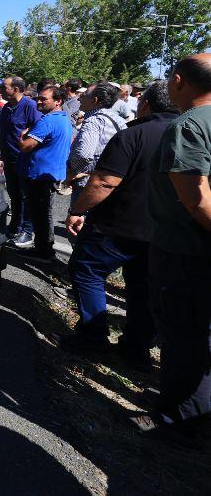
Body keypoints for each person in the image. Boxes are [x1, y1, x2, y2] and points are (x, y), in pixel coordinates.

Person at [59, 82, 178, 368]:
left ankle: (92, 337)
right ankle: (136, 348)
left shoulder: (134, 134)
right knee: (142, 286)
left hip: (118, 225)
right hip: (164, 230)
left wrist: (77, 209)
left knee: (86, 269)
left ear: (146, 105)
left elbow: (104, 181)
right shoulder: (191, 134)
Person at [139, 54, 211, 444]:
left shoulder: (189, 127)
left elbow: (197, 200)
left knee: (183, 336)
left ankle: (179, 418)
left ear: (179, 81)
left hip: (186, 251)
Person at [17, 85, 73, 262]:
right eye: (38, 98)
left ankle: (44, 251)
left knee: (40, 214)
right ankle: (44, 248)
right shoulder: (64, 118)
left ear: (58, 101)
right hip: (51, 173)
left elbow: (26, 146)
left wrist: (21, 136)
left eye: (44, 99)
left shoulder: (47, 121)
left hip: (40, 175)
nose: (39, 101)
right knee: (44, 213)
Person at [0, 76, 43, 248]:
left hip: (24, 159)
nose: (1, 89)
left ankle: (27, 230)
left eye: (4, 87)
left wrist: (28, 132)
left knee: (26, 196)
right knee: (14, 195)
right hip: (9, 158)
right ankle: (15, 225)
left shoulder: (29, 106)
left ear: (15, 89)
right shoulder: (7, 107)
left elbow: (40, 127)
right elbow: (3, 132)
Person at [66, 83, 126, 207]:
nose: (79, 98)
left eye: (83, 95)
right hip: (109, 183)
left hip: (87, 184)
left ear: (95, 100)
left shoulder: (93, 121)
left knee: (77, 221)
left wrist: (71, 174)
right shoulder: (119, 121)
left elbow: (84, 155)